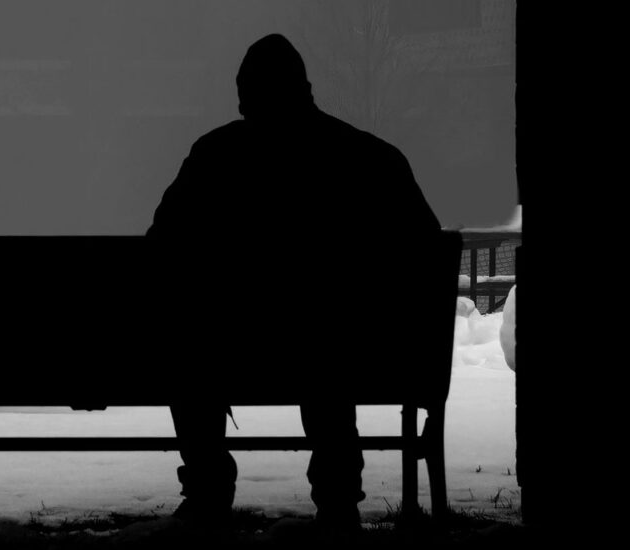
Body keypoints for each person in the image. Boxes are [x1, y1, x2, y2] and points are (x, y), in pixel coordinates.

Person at [145, 34, 443, 535]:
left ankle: (208, 490)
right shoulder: (372, 158)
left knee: (193, 341)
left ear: (245, 96)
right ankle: (338, 495)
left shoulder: (214, 157)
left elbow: (162, 249)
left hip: (229, 349)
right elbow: (426, 251)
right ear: (304, 88)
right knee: (326, 332)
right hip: (353, 352)